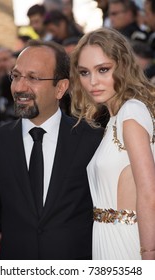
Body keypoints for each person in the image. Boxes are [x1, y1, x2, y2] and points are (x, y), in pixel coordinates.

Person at [0, 40, 104, 260]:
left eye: (33, 78)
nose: (19, 87)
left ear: (60, 88)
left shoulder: (92, 141)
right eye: (16, 76)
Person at [70, 27, 155, 260]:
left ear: (124, 65)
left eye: (103, 70)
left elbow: (149, 192)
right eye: (84, 72)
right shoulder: (115, 118)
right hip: (107, 240)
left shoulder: (131, 111)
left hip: (127, 243)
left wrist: (149, 257)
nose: (93, 82)